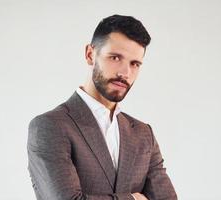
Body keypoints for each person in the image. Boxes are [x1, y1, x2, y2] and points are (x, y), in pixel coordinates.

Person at [27, 14, 177, 200]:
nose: (125, 73)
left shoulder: (143, 134)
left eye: (135, 64)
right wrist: (132, 199)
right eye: (115, 58)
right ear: (90, 55)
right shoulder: (50, 126)